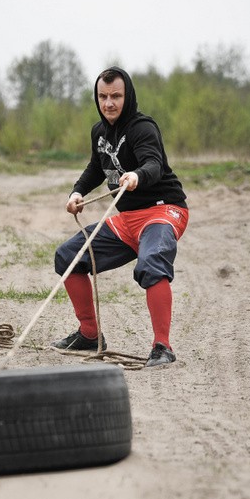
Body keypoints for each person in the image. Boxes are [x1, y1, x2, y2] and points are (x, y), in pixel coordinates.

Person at [52, 66, 189, 368]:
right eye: (103, 96)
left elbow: (154, 163)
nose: (109, 103)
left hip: (164, 211)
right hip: (127, 221)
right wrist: (77, 193)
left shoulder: (143, 128)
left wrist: (138, 175)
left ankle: (162, 347)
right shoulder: (99, 132)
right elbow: (95, 169)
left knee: (152, 263)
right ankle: (89, 335)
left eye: (115, 96)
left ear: (127, 96)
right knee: (68, 257)